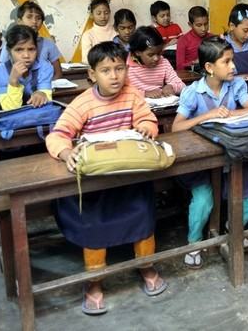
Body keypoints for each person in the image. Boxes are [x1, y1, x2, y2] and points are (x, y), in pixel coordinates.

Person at [46, 42, 166, 315]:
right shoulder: (83, 103)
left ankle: (146, 266)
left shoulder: (133, 95)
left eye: (120, 68)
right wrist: (65, 153)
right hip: (96, 185)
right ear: (92, 74)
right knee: (94, 229)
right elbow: (58, 134)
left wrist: (147, 128)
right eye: (106, 70)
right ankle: (94, 283)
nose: (115, 76)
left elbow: (148, 119)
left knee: (143, 218)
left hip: (128, 177)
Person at [172, 38, 248, 268]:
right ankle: (193, 243)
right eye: (227, 62)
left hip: (231, 155)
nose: (234, 66)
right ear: (209, 68)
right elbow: (176, 127)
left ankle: (232, 229)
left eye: (232, 60)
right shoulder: (192, 92)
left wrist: (230, 115)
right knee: (204, 200)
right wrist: (208, 115)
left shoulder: (236, 85)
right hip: (202, 161)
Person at [0, 25, 53, 110]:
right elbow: (10, 110)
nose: (26, 55)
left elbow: (47, 103)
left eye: (31, 49)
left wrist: (42, 94)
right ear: (9, 51)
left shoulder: (45, 67)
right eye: (19, 50)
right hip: (12, 119)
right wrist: (13, 82)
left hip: (35, 116)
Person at [0, 0, 63, 78]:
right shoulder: (10, 43)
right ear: (19, 21)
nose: (34, 21)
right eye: (29, 17)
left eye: (38, 18)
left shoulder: (48, 44)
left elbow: (58, 73)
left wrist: (46, 87)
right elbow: (2, 72)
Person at [126, 26, 185, 98]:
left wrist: (172, 87)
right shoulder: (127, 67)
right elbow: (123, 92)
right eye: (150, 55)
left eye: (159, 53)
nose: (156, 58)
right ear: (138, 52)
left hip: (161, 105)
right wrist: (145, 93)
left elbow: (181, 85)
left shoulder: (163, 63)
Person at [81, 0, 116, 64]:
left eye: (106, 13)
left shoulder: (116, 32)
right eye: (98, 13)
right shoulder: (88, 35)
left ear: (110, 12)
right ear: (91, 15)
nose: (103, 16)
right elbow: (86, 60)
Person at [175, 6, 211, 71]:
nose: (203, 29)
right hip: (191, 77)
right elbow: (179, 67)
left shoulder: (212, 38)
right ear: (190, 24)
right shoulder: (183, 40)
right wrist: (194, 63)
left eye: (206, 24)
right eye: (199, 25)